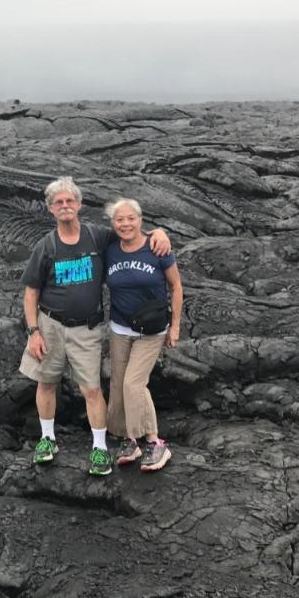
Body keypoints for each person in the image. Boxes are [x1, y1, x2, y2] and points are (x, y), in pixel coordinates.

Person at [20, 178, 170, 476]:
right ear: (51, 209)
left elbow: (130, 230)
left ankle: (100, 448)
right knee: (46, 382)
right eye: (58, 202)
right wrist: (33, 331)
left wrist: (159, 232)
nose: (65, 206)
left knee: (91, 389)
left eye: (69, 201)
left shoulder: (97, 237)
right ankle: (47, 439)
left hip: (86, 329)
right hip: (50, 325)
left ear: (79, 205)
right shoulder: (45, 246)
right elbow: (31, 293)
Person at [104, 197, 184, 473]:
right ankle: (130, 440)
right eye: (119, 219)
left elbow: (176, 286)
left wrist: (175, 327)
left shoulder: (157, 248)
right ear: (113, 224)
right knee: (118, 387)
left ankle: (154, 441)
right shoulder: (110, 249)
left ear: (140, 220)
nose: (125, 224)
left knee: (133, 384)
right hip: (119, 330)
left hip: (151, 331)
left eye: (131, 218)